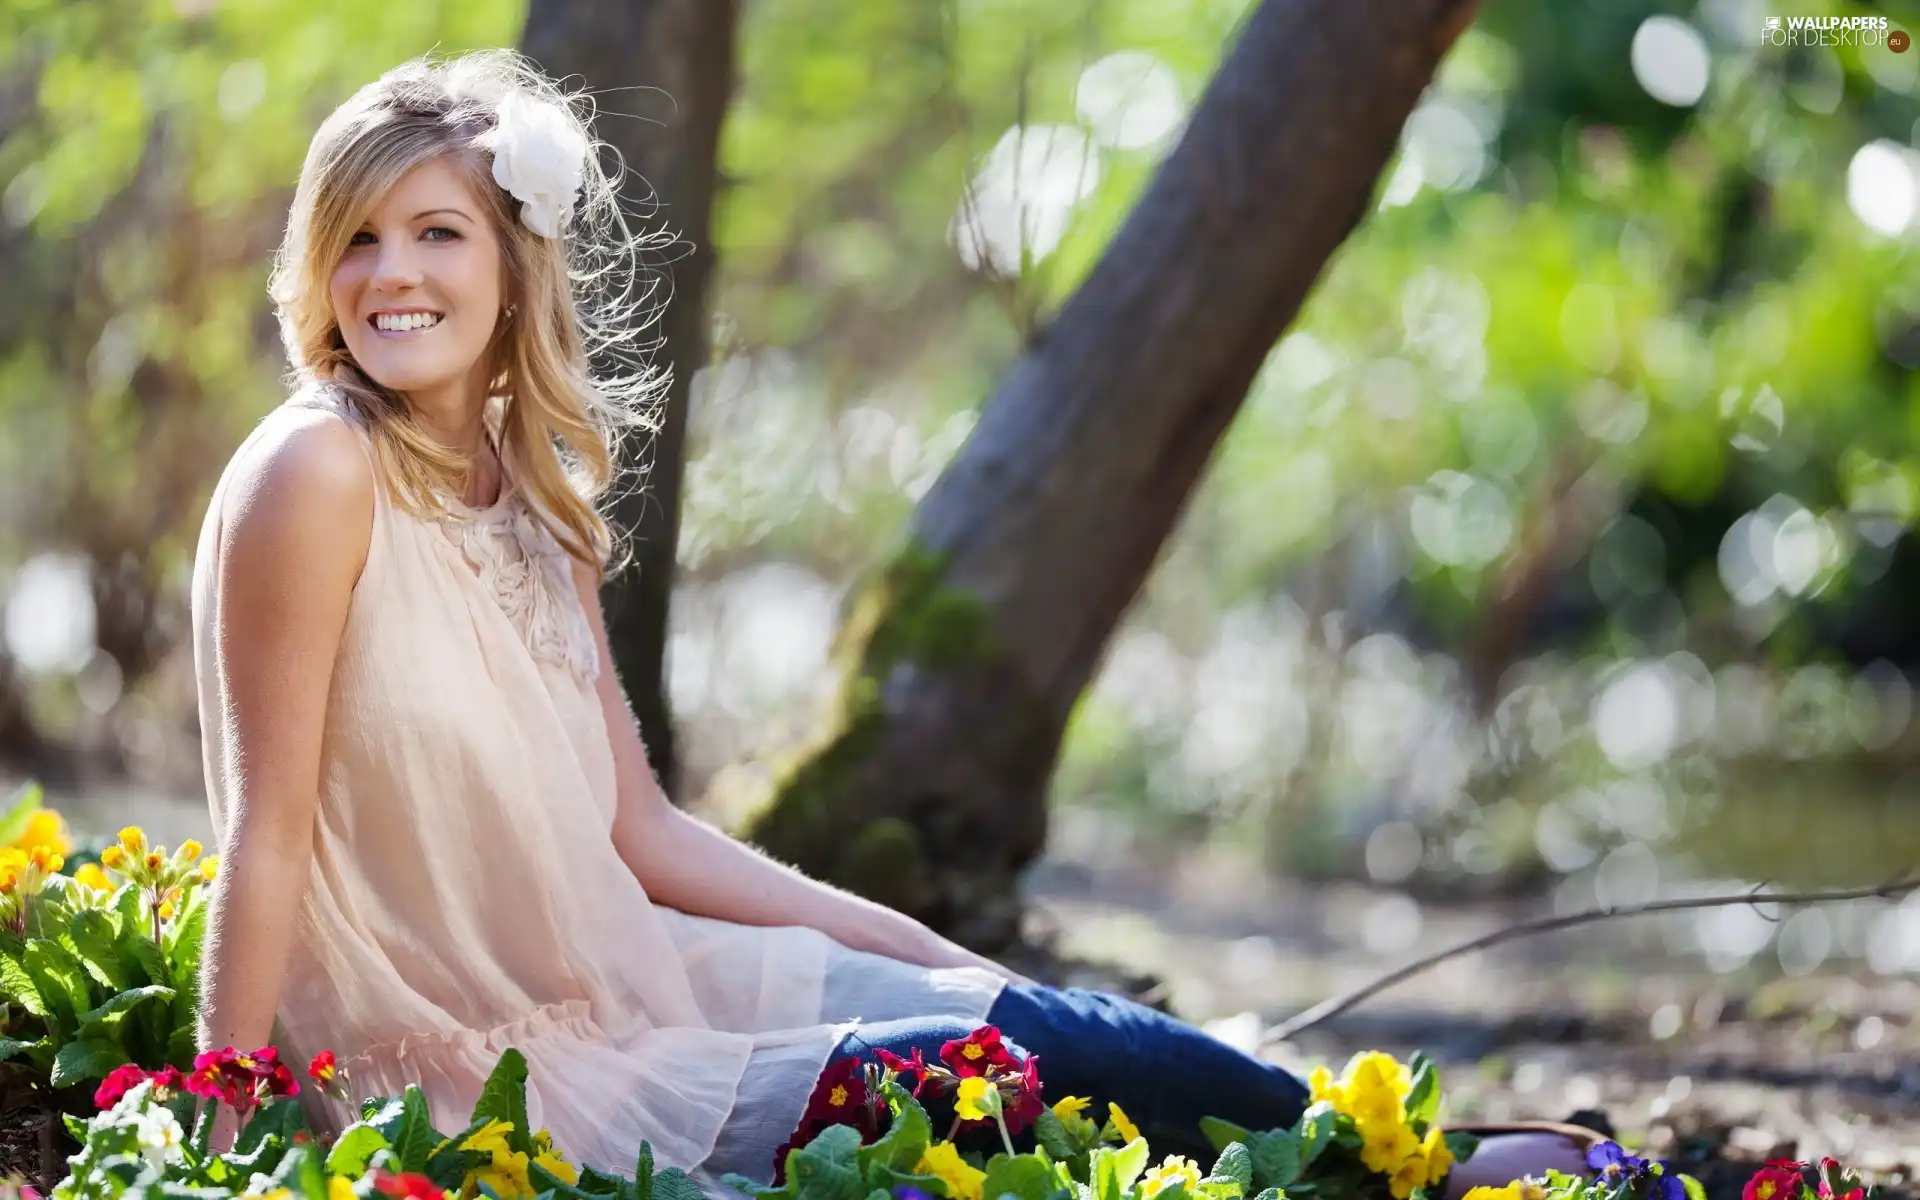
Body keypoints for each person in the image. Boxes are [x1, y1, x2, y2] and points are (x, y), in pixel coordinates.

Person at [187, 48, 1590, 1199]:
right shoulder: (313, 476)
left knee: (1023, 1020)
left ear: (511, 266)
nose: (391, 277)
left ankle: (1421, 1153)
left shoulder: (533, 502)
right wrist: (210, 1136)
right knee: (988, 1092)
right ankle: (1397, 1174)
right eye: (356, 240)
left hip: (637, 987)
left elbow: (644, 831)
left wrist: (912, 940)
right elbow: (269, 836)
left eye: (436, 233)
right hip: (470, 1069)